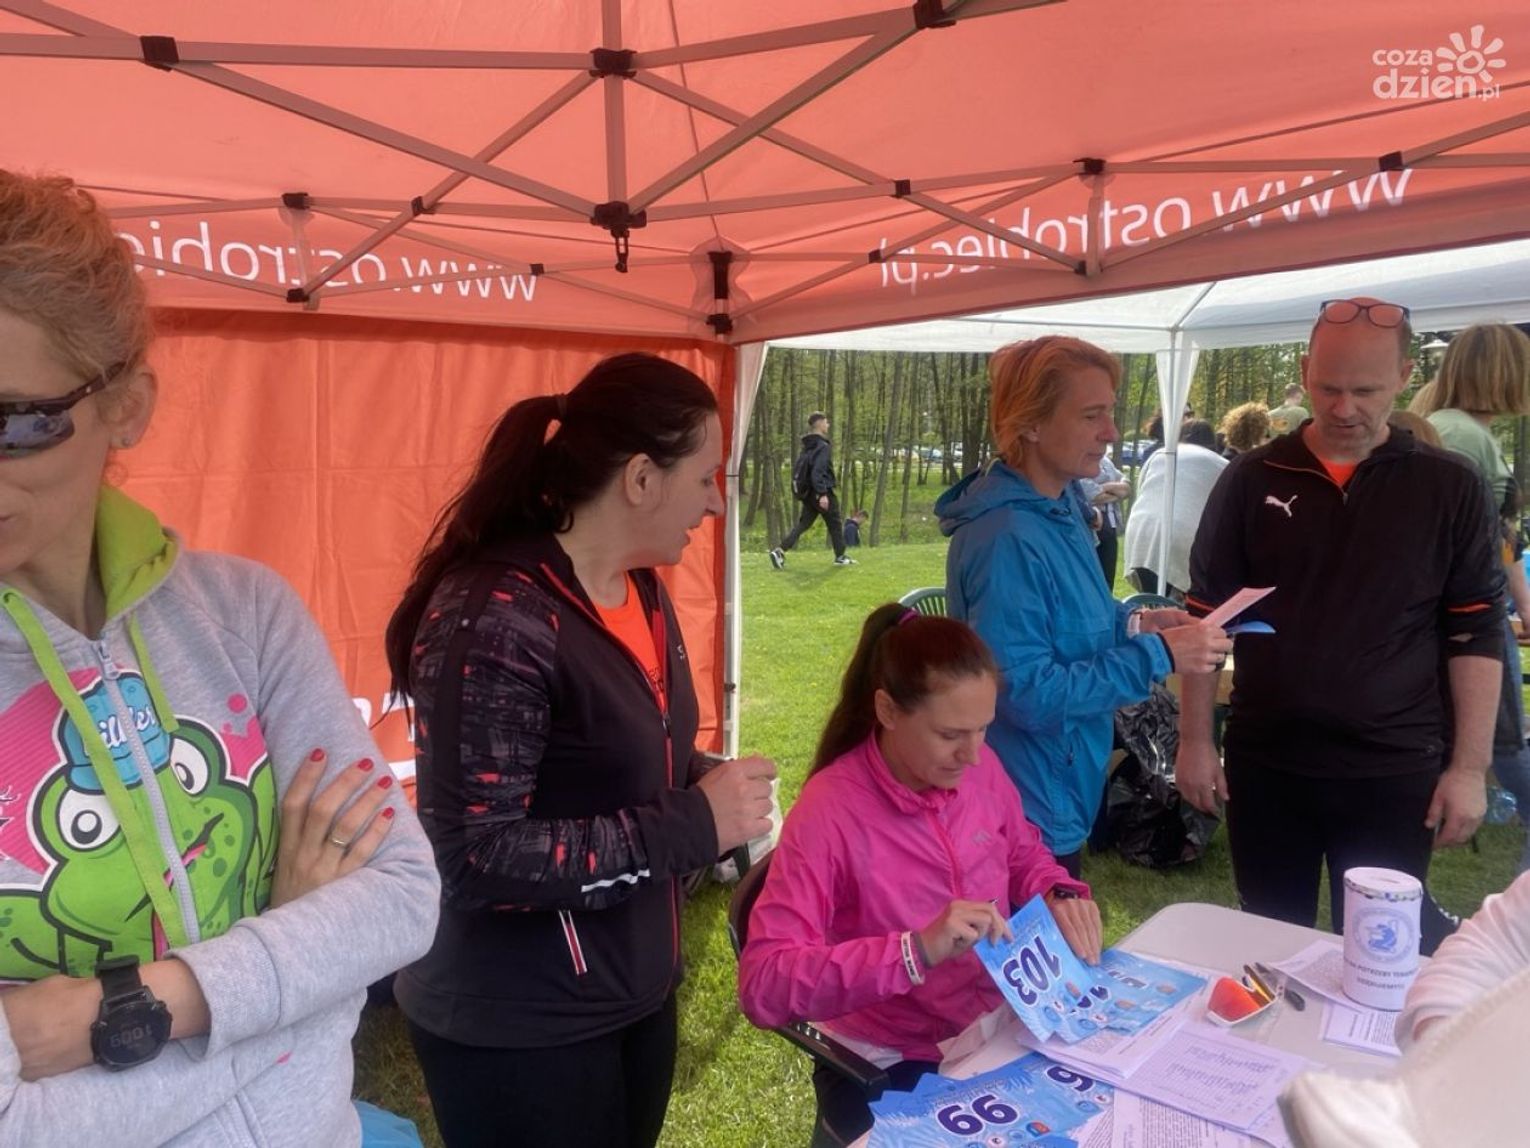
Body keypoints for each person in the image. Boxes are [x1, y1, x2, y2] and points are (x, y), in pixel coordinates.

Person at [0, 170, 439, 1143]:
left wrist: (116, 1014)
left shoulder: (243, 614)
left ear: (127, 406)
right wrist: (295, 973)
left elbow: (403, 895)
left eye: (13, 421)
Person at [385, 353, 777, 1148]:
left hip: (632, 993)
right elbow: (475, 855)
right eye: (705, 477)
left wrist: (711, 784)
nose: (715, 502)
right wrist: (692, 824)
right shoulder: (496, 615)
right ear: (641, 478)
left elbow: (615, 762)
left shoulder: (641, 589)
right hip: (519, 1028)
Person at [1176, 297, 1505, 955]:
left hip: (1394, 767)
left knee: (1379, 957)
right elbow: (1205, 622)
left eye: (1366, 391)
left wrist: (1470, 768)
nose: (1344, 408)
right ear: (1304, 372)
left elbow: (1475, 630)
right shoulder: (1251, 478)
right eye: (1328, 388)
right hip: (1269, 761)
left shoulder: (1448, 484)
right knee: (1268, 948)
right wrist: (1194, 741)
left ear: (1405, 376)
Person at [737, 605, 1100, 1144]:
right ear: (887, 710)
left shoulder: (979, 768)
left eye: (983, 729)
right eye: (950, 734)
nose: (973, 756)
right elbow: (764, 984)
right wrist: (914, 951)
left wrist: (1058, 889)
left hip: (995, 1021)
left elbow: (1020, 850)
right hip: (891, 1055)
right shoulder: (830, 812)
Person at [937, 336, 1231, 870]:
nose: (1111, 433)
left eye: (1110, 413)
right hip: (1025, 807)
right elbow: (1026, 694)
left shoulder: (1060, 506)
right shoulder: (1006, 538)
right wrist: (1159, 655)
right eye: (1092, 416)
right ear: (1031, 423)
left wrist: (1136, 624)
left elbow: (1071, 620)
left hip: (1063, 784)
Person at [1410, 324, 1530, 873]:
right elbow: (1475, 546)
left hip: (1469, 613)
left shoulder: (1457, 429)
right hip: (1466, 619)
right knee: (1502, 741)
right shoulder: (1460, 437)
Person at [1123, 419, 1228, 599]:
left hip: (1141, 531)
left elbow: (1142, 488)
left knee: (1151, 599)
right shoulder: (1222, 465)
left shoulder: (1161, 454)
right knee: (1176, 606)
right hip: (1184, 537)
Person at [770, 411, 853, 568]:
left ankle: (779, 551)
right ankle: (840, 556)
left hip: (808, 493)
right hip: (822, 491)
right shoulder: (822, 446)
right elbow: (817, 471)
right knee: (835, 523)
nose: (828, 425)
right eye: (826, 422)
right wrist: (822, 494)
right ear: (820, 424)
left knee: (803, 524)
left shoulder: (807, 446)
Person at [1079, 451, 1130, 585]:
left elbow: (1126, 488)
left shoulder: (1106, 461)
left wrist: (1104, 488)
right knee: (1090, 581)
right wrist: (1115, 492)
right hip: (1091, 529)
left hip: (1110, 529)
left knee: (1107, 582)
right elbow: (1089, 494)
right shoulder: (1079, 461)